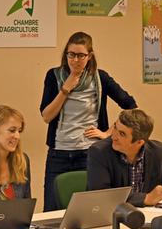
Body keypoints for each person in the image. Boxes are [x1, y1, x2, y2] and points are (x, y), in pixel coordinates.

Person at [39, 31, 137, 211]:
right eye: (71, 55)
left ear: (89, 56)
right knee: (52, 211)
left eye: (81, 55)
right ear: (66, 54)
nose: (75, 60)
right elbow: (46, 116)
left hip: (89, 154)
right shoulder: (54, 76)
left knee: (89, 210)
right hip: (59, 154)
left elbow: (130, 105)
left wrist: (108, 133)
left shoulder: (100, 78)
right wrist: (65, 89)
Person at [87, 109, 162, 207]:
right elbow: (101, 195)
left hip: (151, 216)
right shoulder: (99, 152)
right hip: (112, 216)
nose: (113, 136)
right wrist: (146, 198)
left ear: (139, 142)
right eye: (115, 128)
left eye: (122, 134)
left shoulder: (159, 151)